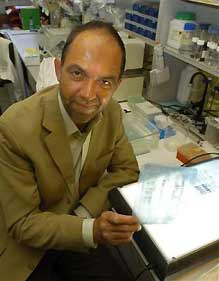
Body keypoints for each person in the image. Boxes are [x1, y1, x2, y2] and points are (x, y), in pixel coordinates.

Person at [0, 21, 140, 281]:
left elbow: (127, 170)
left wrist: (85, 213)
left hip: (79, 230)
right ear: (57, 69)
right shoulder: (14, 127)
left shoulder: (111, 113)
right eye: (78, 74)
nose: (89, 94)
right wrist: (93, 230)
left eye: (105, 81)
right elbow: (24, 224)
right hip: (29, 249)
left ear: (117, 85)